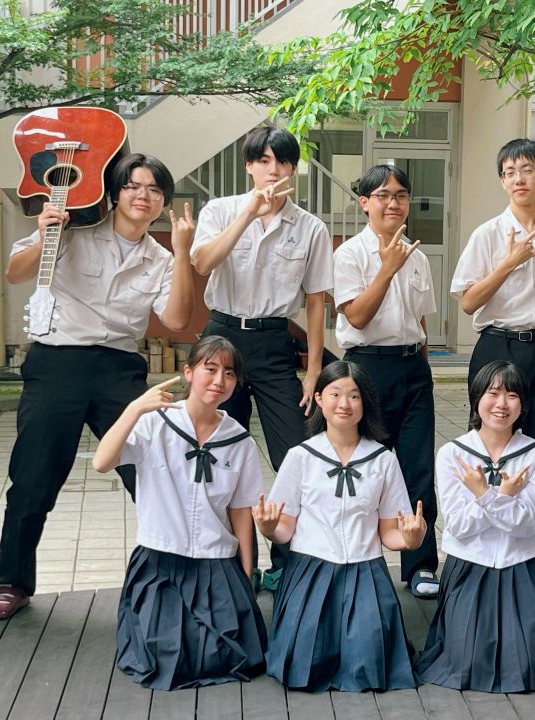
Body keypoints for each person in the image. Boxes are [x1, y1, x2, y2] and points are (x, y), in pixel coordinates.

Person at [0, 153, 195, 620]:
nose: (143, 196)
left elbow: (178, 319)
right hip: (57, 361)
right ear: (115, 192)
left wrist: (183, 253)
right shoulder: (72, 230)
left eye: (154, 189)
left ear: (163, 202)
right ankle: (10, 582)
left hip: (119, 368)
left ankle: (180, 574)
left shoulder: (161, 258)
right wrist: (45, 234)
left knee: (154, 469)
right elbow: (15, 272)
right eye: (133, 186)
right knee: (33, 475)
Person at [192, 126, 334, 592]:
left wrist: (314, 370)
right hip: (222, 337)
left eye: (283, 161)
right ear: (249, 166)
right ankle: (235, 563)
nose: (273, 170)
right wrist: (248, 214)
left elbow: (316, 302)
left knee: (294, 451)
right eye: (264, 160)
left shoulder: (310, 227)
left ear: (293, 168)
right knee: (219, 452)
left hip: (274, 342)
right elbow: (203, 263)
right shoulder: (220, 210)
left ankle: (290, 562)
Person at [450, 138, 535, 594]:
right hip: (495, 345)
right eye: (509, 172)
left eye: (526, 169)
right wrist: (510, 262)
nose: (518, 179)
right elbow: (468, 301)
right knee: (486, 443)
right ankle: (478, 540)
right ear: (501, 181)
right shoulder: (487, 234)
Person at [92, 336, 267, 690]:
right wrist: (134, 408)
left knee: (230, 655)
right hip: (161, 562)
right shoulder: (154, 423)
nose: (219, 381)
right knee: (162, 656)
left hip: (216, 561)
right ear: (188, 372)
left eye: (229, 373)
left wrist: (246, 577)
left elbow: (241, 512)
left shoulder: (240, 441)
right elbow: (101, 462)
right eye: (210, 369)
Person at [254, 360, 426, 692]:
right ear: (319, 398)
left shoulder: (383, 459)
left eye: (354, 395)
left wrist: (411, 540)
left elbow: (389, 533)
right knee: (304, 662)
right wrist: (269, 528)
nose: (344, 404)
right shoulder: (301, 456)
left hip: (365, 571)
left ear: (366, 402)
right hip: (310, 573)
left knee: (370, 662)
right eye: (335, 394)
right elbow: (285, 529)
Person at [417, 360, 535, 692]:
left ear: (523, 404)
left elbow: (528, 525)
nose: (501, 404)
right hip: (469, 566)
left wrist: (484, 495)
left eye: (512, 395)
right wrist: (502, 496)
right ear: (476, 397)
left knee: (527, 664)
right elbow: (458, 526)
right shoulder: (453, 453)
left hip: (521, 565)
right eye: (493, 393)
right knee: (467, 662)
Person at [333, 163, 440, 599]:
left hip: (412, 369)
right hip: (366, 370)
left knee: (418, 470)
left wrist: (423, 368)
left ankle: (421, 565)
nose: (392, 203)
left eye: (400, 195)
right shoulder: (349, 254)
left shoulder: (419, 257)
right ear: (364, 203)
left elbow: (420, 321)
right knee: (363, 468)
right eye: (382, 195)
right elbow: (357, 316)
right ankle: (356, 559)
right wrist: (386, 270)